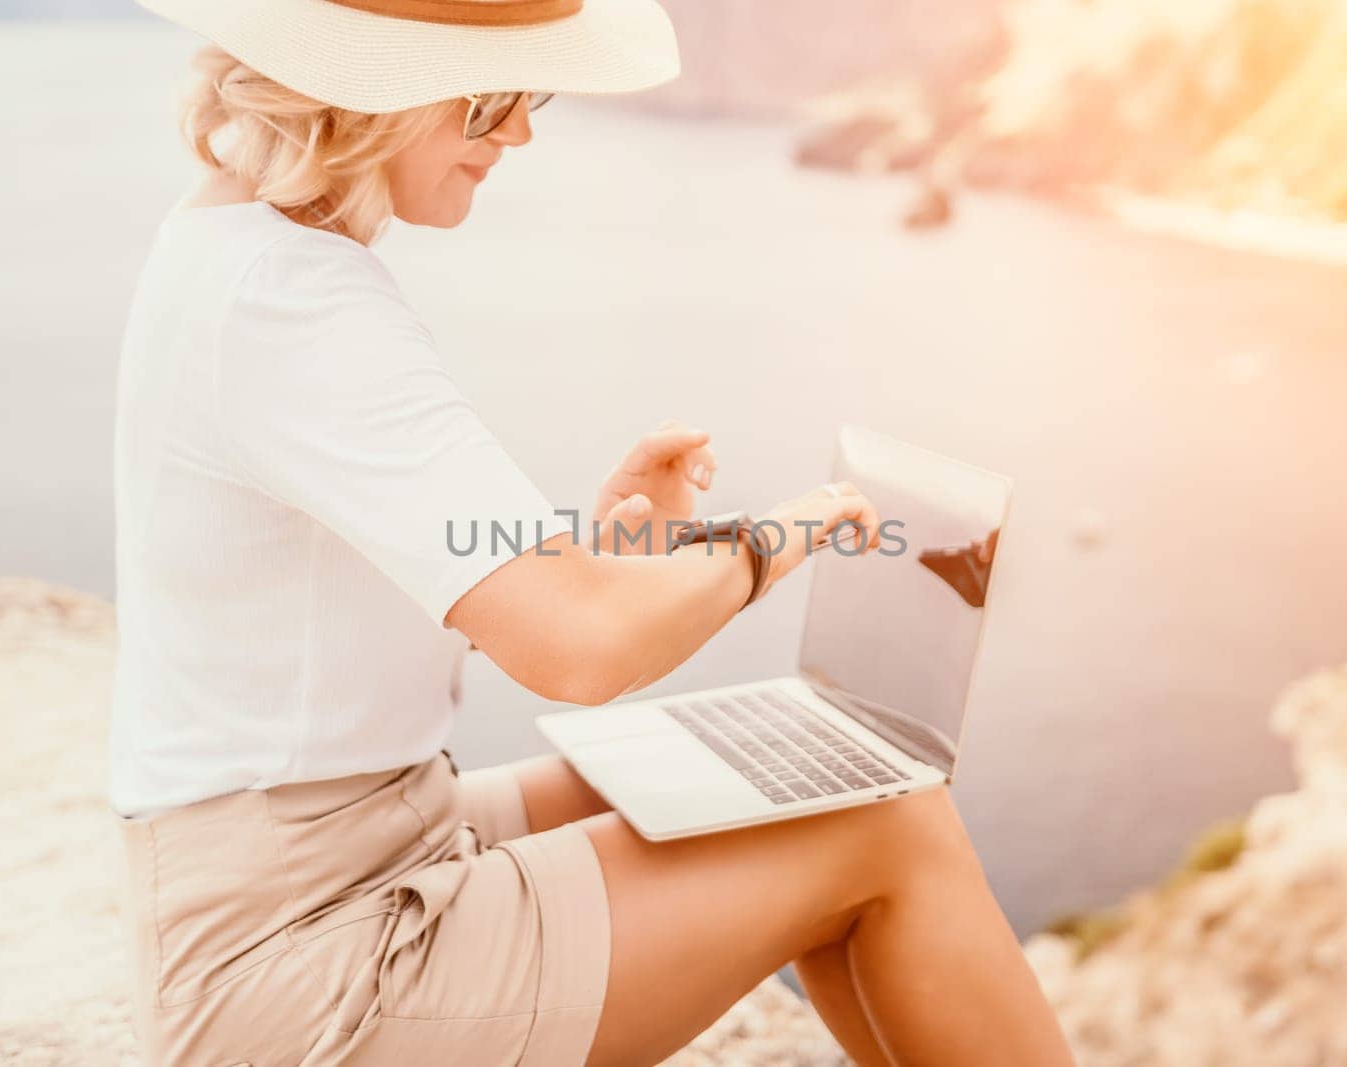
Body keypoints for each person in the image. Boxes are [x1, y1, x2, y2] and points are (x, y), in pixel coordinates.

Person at [110, 0, 1076, 1063]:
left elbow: (388, 593)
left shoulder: (241, 252)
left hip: (340, 852)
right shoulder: (295, 302)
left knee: (794, 769)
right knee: (887, 822)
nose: (519, 132)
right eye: (491, 98)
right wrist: (769, 542)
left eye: (532, 96)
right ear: (369, 92)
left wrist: (595, 566)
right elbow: (580, 648)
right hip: (303, 961)